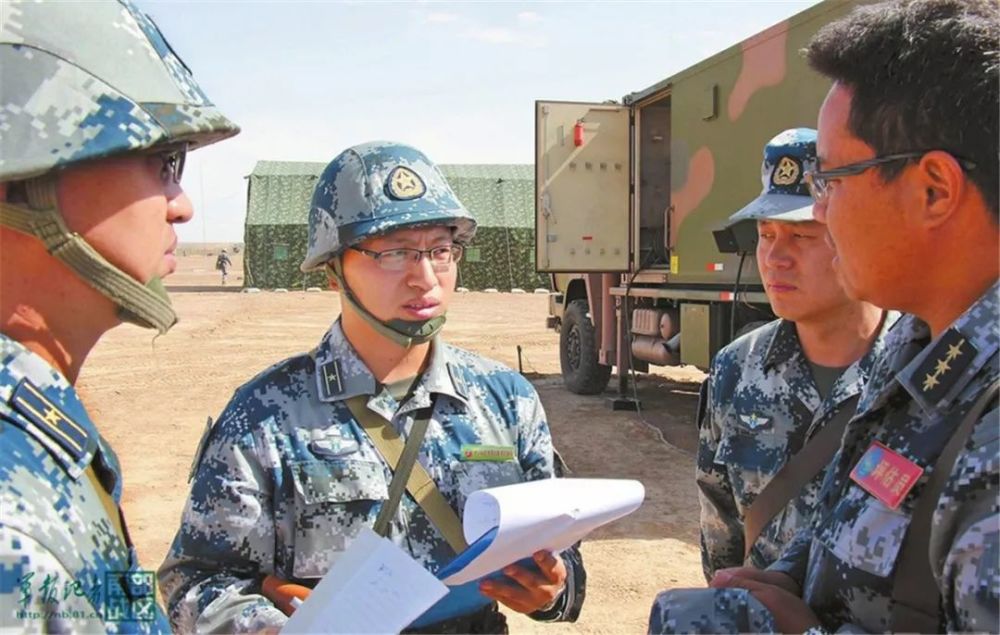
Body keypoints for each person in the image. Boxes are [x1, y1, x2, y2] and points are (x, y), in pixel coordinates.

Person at [651, 1, 999, 633]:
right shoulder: (919, 356)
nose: (823, 215)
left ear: (934, 190)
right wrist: (787, 580)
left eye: (832, 182)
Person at [159, 141, 586, 633]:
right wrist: (274, 627)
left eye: (440, 251)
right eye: (395, 253)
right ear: (334, 269)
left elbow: (562, 554)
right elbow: (196, 585)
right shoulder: (265, 416)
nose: (424, 277)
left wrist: (550, 590)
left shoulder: (507, 400)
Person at [0, 1, 239, 632]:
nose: (182, 206)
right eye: (163, 164)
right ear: (21, 173)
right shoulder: (10, 526)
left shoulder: (40, 426)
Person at [694, 128, 894, 581]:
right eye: (766, 234)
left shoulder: (918, 367)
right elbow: (721, 532)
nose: (775, 258)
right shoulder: (735, 369)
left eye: (802, 235)